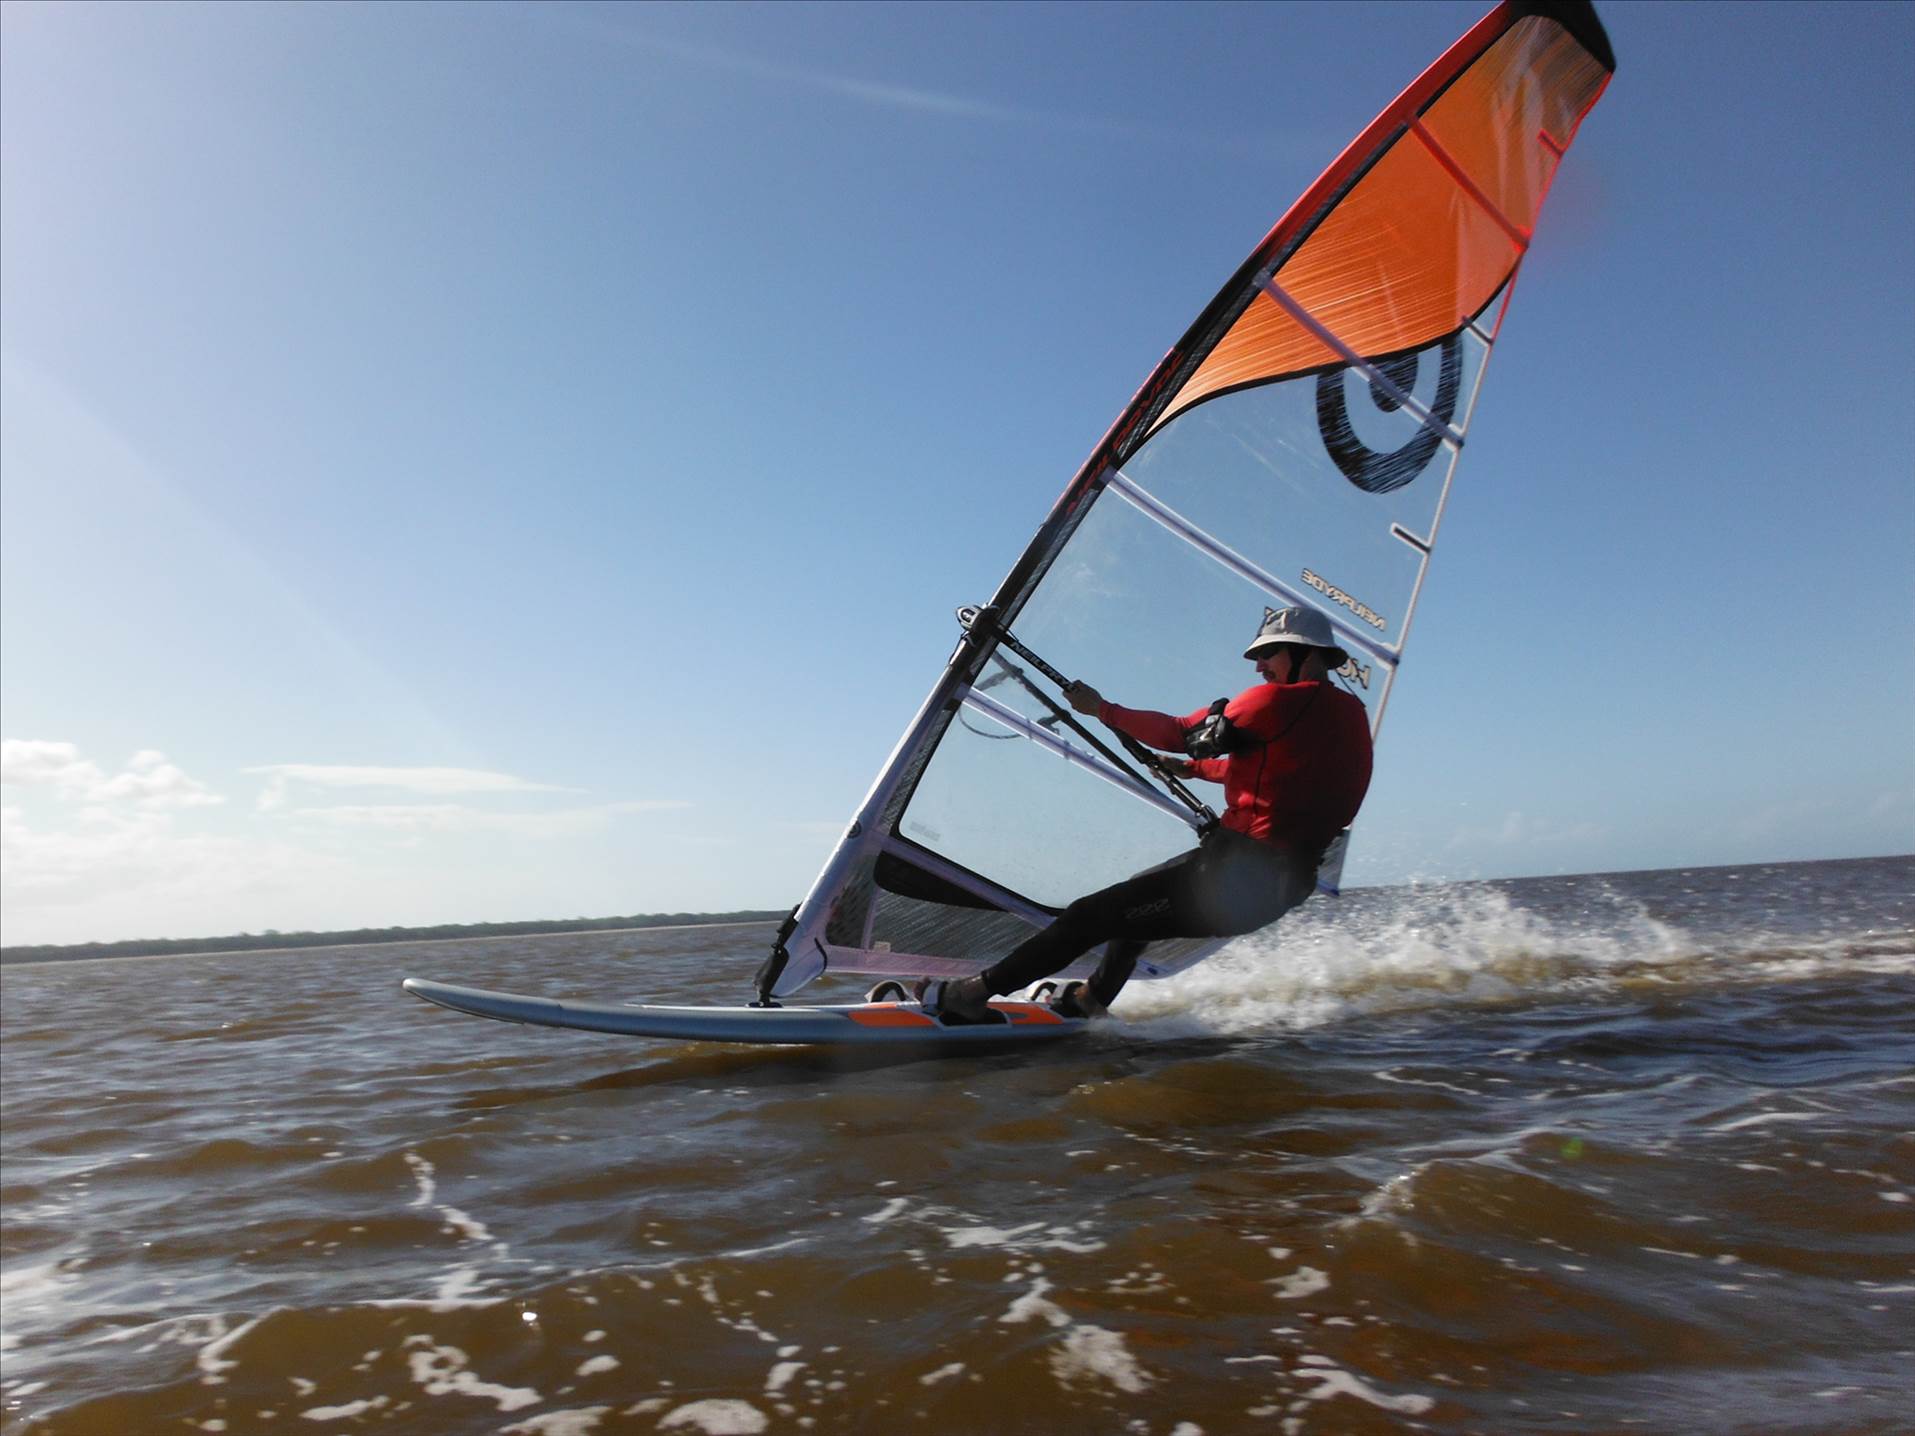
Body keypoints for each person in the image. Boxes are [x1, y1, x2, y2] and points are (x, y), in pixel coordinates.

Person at [917, 605, 1374, 1022]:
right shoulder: (1350, 713)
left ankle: (969, 995)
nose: (1258, 666)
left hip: (1235, 881)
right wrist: (1194, 770)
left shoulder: (1276, 702)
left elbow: (1180, 732)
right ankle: (1092, 1000)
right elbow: (1279, 777)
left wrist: (1102, 710)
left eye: (1268, 653)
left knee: (1088, 916)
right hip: (1281, 884)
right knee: (1134, 906)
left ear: (1305, 653)